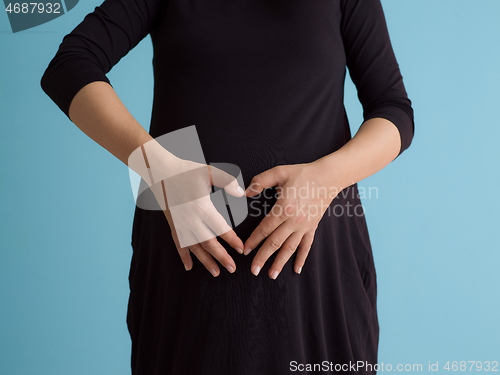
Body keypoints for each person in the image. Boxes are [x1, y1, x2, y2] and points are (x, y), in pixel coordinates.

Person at [40, 0, 414, 374]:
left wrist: (324, 179)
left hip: (315, 261)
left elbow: (393, 109)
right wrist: (159, 169)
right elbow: (70, 63)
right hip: (186, 259)